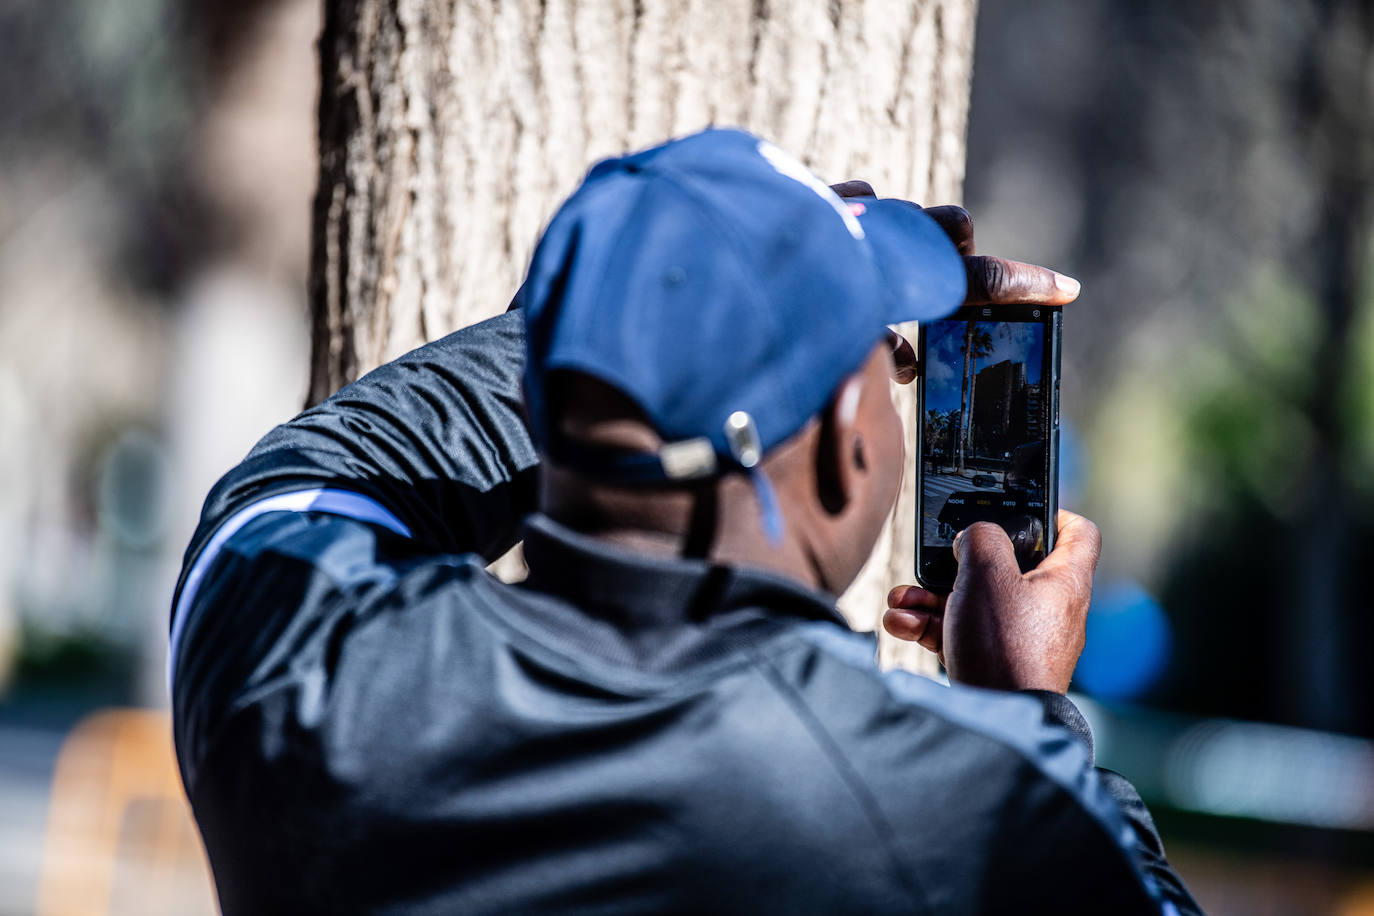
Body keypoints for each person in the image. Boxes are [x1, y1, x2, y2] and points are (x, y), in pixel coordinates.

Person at [168, 128, 1202, 915]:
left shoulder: (302, 682)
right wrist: (1030, 719)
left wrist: (584, 334)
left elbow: (302, 485)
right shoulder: (962, 815)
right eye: (875, 370)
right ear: (849, 441)